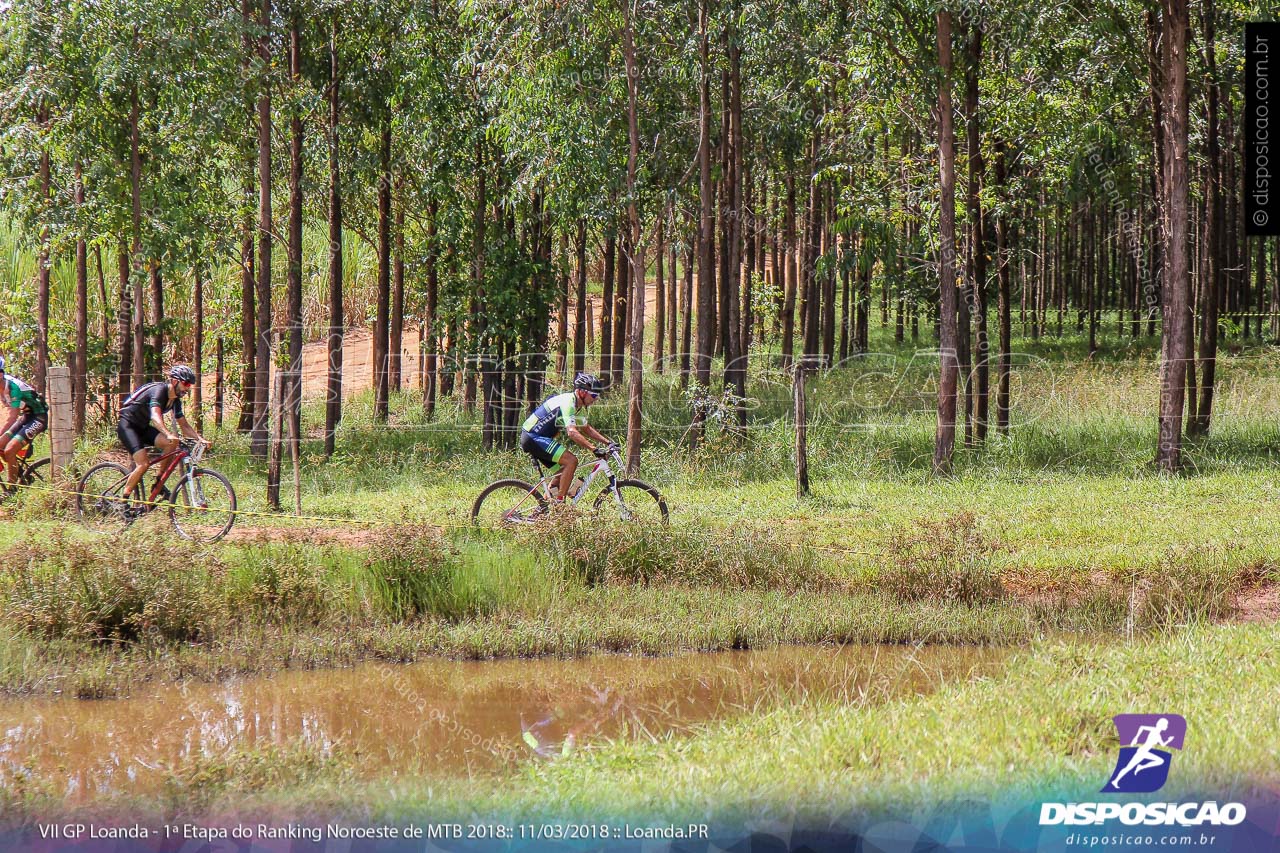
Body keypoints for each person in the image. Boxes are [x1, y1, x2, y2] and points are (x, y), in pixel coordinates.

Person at [117, 365, 207, 513]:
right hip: (127, 426)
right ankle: (123, 501)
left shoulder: (175, 400)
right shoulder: (160, 391)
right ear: (174, 381)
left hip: (142, 427)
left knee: (173, 443)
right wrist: (167, 433)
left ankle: (158, 484)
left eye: (190, 385)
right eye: (185, 384)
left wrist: (200, 439)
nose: (187, 388)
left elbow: (184, 425)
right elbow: (155, 416)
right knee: (143, 464)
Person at [519, 372, 617, 501]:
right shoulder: (567, 402)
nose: (595, 399)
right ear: (582, 392)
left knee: (562, 472)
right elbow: (572, 432)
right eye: (593, 395)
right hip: (533, 437)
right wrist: (594, 449)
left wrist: (608, 442)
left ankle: (543, 510)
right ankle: (560, 502)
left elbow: (585, 427)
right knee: (571, 461)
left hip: (536, 438)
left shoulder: (573, 404)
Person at [0, 360, 49, 488]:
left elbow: (11, 418)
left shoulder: (12, 388)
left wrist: (1, 435)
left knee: (9, 450)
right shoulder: (2, 384)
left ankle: (12, 489)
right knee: (1, 447)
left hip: (39, 417)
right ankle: (20, 473)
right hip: (27, 415)